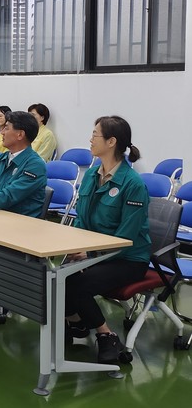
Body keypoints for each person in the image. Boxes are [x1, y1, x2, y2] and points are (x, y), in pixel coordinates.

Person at [64, 116, 150, 365]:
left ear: (111, 142)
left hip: (128, 258)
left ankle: (107, 335)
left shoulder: (133, 184)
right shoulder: (92, 174)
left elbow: (125, 238)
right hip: (95, 252)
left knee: (77, 284)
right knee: (57, 276)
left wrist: (89, 255)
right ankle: (76, 322)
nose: (90, 140)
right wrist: (75, 248)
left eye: (95, 135)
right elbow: (81, 218)